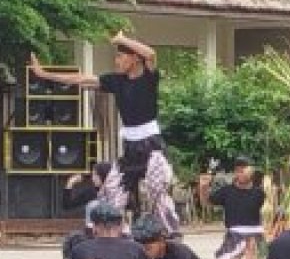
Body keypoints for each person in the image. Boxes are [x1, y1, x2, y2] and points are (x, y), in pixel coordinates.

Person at [29, 32, 179, 235]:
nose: (116, 61)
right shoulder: (116, 81)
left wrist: (122, 39)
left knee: (157, 192)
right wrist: (46, 74)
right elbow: (81, 79)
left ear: (134, 58)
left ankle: (170, 235)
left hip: (152, 146)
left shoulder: (149, 77)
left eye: (121, 56)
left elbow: (150, 54)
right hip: (130, 148)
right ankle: (117, 236)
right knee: (113, 188)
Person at [203, 157, 267, 259]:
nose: (240, 174)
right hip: (234, 235)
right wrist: (203, 187)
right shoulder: (227, 191)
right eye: (238, 171)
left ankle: (248, 252)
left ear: (250, 172)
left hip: (255, 234)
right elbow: (207, 202)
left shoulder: (260, 193)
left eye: (243, 171)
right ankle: (241, 252)